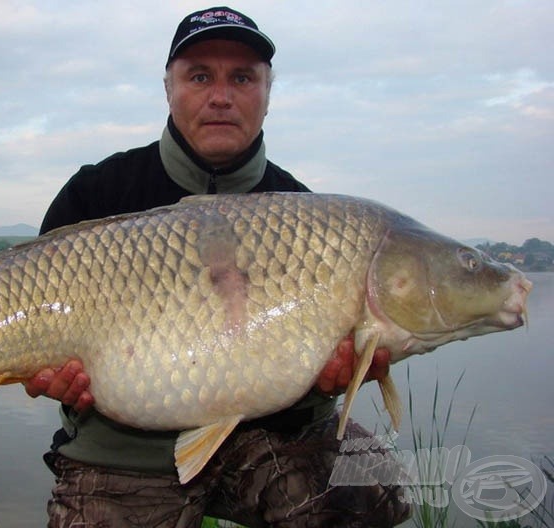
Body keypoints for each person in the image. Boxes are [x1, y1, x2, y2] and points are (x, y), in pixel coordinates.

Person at [25, 7, 410, 527]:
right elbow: (37, 345)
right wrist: (48, 375)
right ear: (169, 88)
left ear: (268, 94)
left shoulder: (308, 214)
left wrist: (331, 382)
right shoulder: (96, 194)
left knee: (373, 489)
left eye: (243, 78)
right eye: (200, 75)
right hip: (122, 452)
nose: (222, 96)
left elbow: (315, 375)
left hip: (271, 435)